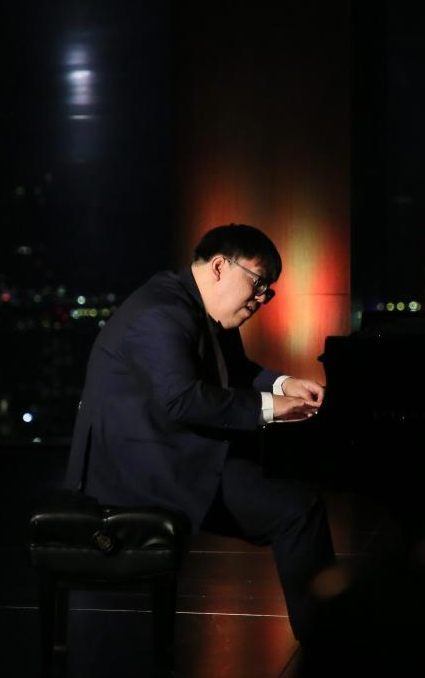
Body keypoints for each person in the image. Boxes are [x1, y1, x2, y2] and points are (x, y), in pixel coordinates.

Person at [65, 223, 336, 642]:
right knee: (298, 512)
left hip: (168, 449)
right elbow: (182, 399)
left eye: (268, 291)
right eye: (258, 283)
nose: (261, 298)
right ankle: (327, 643)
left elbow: (237, 371)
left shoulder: (193, 305)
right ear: (220, 267)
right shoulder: (162, 312)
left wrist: (283, 385)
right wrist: (270, 407)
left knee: (292, 493)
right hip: (140, 469)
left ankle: (327, 633)